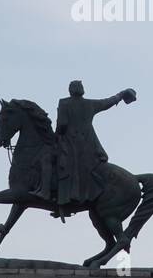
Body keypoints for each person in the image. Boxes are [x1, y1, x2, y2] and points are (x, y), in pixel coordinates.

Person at [55, 81, 136, 214]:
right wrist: (121, 95)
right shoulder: (90, 104)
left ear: (70, 91)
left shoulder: (64, 103)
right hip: (90, 146)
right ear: (82, 90)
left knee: (62, 165)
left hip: (70, 144)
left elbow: (62, 124)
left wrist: (56, 136)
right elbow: (107, 102)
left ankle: (64, 200)